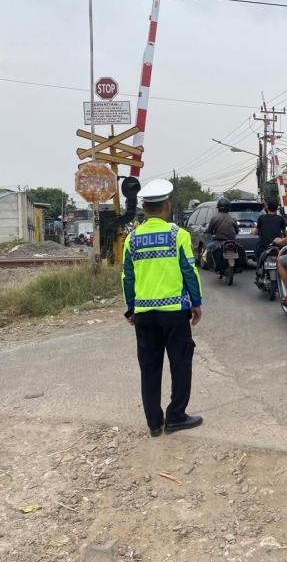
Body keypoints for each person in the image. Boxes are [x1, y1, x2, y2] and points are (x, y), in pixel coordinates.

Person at [121, 179, 204, 437]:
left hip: (145, 315)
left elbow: (127, 277)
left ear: (144, 207)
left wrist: (132, 308)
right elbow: (189, 270)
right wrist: (196, 302)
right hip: (174, 313)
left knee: (149, 367)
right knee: (180, 364)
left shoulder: (131, 239)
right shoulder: (178, 235)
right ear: (166, 207)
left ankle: (154, 423)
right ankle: (176, 416)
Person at [205, 197, 239, 267]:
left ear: (218, 208)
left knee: (208, 247)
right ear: (229, 208)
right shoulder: (233, 219)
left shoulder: (214, 218)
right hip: (232, 241)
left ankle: (211, 265)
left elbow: (209, 230)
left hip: (219, 241)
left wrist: (211, 232)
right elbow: (237, 231)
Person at [253, 197, 287, 264]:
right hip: (278, 246)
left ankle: (259, 267)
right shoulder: (281, 219)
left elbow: (256, 232)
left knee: (256, 250)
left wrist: (252, 231)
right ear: (277, 207)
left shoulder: (261, 218)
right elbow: (284, 234)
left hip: (264, 247)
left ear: (267, 206)